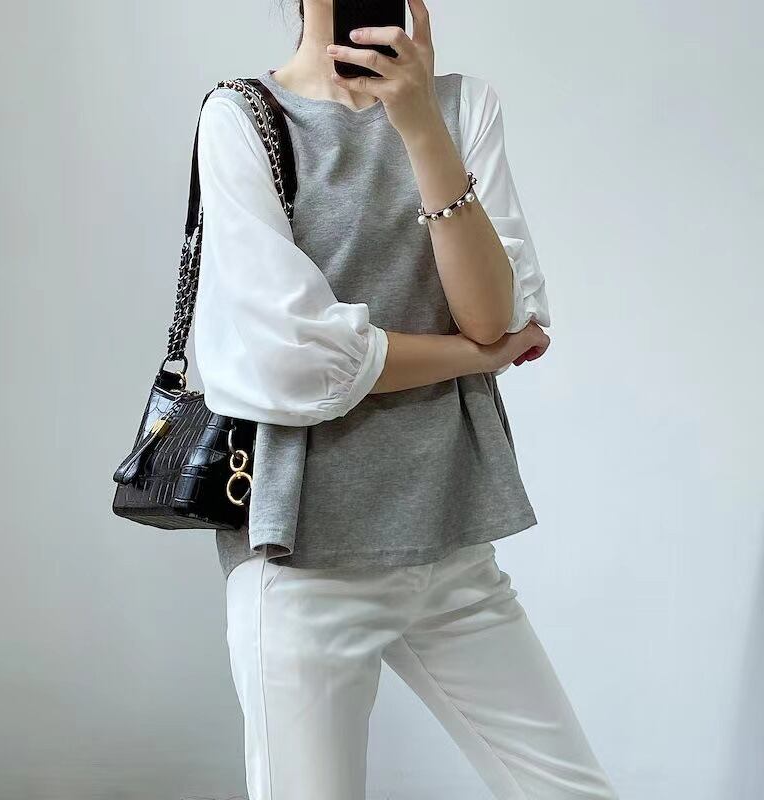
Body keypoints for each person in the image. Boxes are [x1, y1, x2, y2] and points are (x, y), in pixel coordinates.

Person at [193, 1, 619, 798]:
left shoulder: (461, 107)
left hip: (451, 542)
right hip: (305, 561)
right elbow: (293, 362)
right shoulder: (243, 118)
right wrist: (476, 356)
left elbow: (494, 312)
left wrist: (420, 125)